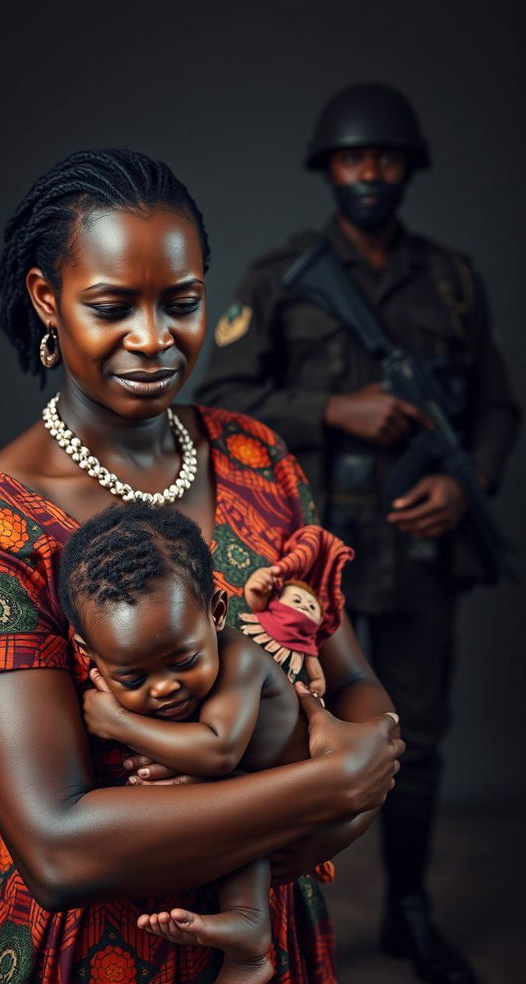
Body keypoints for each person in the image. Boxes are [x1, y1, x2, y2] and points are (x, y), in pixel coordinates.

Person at [0, 149, 404, 984]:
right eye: (111, 306)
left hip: (270, 935)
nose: (153, 338)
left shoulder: (258, 456)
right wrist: (334, 786)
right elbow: (62, 851)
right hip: (92, 956)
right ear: (47, 300)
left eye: (181, 302)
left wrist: (351, 755)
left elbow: (351, 679)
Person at [196, 84, 520, 984]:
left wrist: (471, 480)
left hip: (420, 554)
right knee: (277, 733)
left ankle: (409, 912)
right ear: (327, 167)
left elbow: (495, 406)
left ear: (408, 167)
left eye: (384, 158)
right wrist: (334, 408)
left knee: (416, 739)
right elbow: (219, 400)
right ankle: (269, 919)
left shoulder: (452, 280)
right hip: (308, 560)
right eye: (352, 158)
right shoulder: (278, 280)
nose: (370, 172)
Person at [59, 501, 351, 984]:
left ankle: (251, 937)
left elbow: (218, 752)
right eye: (132, 676)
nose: (163, 688)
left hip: (293, 803)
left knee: (226, 785)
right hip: (254, 800)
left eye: (181, 660)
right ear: (90, 655)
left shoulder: (240, 658)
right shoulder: (159, 653)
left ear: (216, 611)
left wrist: (120, 723)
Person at [240, 523, 353, 690]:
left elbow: (316, 676)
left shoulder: (306, 644)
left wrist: (317, 684)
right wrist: (255, 587)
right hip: (245, 668)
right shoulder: (266, 612)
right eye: (297, 600)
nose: (305, 607)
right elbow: (256, 602)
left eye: (313, 607)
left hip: (282, 687)